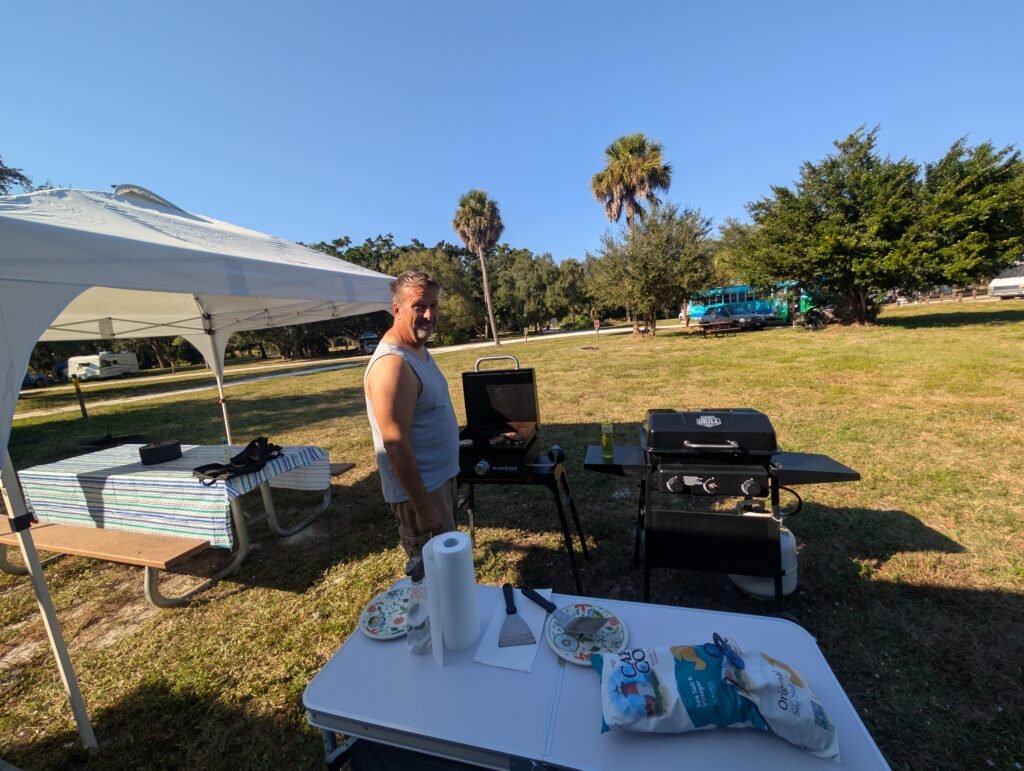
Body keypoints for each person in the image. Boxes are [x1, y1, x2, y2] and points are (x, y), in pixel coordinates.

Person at [364, 270, 460, 558]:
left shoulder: (416, 349)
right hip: (423, 494)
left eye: (434, 305)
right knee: (435, 575)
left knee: (449, 570)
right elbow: (395, 443)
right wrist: (424, 507)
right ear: (397, 309)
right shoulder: (392, 365)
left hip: (438, 484)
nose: (429, 315)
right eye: (419, 306)